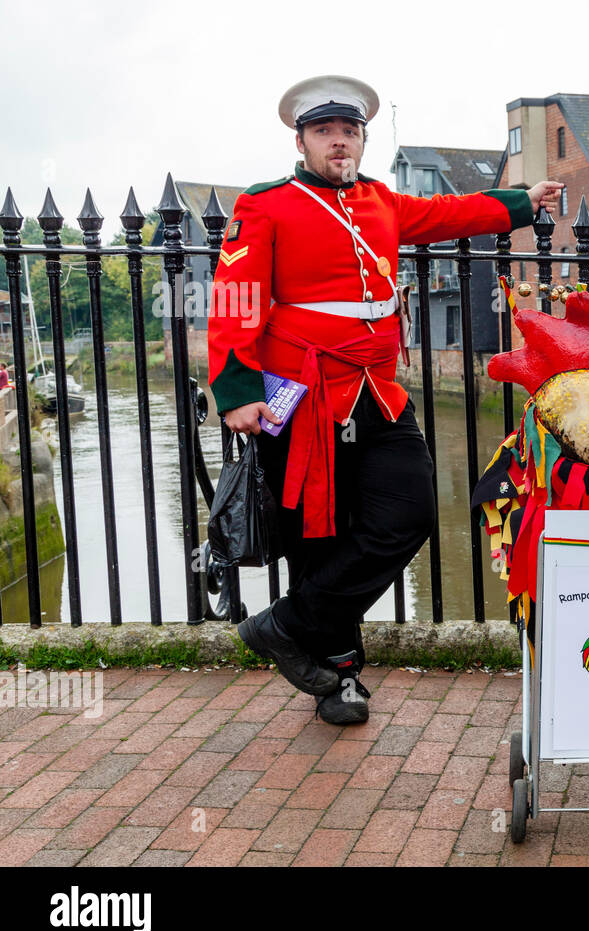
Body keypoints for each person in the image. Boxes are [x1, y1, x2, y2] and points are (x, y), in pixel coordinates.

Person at [208, 75, 562, 724]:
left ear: (363, 138)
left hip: (380, 393)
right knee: (319, 538)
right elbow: (236, 298)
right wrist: (236, 390)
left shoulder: (382, 202)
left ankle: (282, 626)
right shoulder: (265, 205)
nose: (339, 141)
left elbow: (452, 216)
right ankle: (338, 677)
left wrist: (521, 201)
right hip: (302, 397)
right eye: (325, 132)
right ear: (302, 140)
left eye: (349, 131)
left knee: (409, 516)